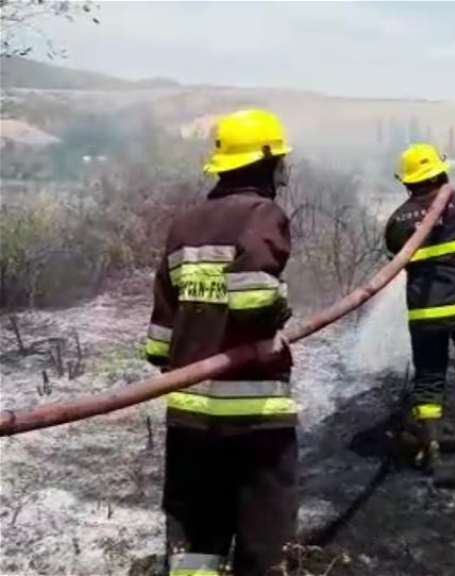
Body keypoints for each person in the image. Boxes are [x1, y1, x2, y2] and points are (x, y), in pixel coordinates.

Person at [144, 109, 297, 576]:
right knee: (263, 539)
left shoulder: (184, 225)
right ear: (266, 162)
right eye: (280, 162)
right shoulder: (261, 213)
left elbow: (160, 339)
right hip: (254, 413)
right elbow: (253, 298)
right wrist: (278, 313)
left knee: (195, 536)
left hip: (189, 412)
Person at [384, 143, 455, 472]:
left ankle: (430, 444)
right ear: (440, 171)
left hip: (427, 313)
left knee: (429, 376)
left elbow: (394, 259)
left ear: (408, 181)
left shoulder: (397, 221)